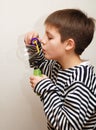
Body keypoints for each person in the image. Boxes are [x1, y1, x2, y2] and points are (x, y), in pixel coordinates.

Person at [24, 9, 96, 130]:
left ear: (69, 44)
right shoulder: (57, 65)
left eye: (50, 37)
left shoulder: (81, 81)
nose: (42, 40)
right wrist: (32, 46)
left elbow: (68, 126)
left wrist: (46, 89)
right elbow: (40, 64)